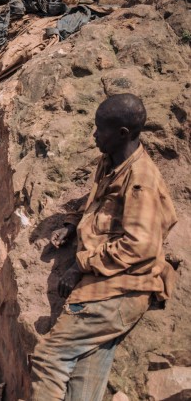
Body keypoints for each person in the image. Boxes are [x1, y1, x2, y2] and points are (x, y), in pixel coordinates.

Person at [30, 94, 178, 400]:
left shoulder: (141, 181)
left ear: (123, 133)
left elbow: (141, 247)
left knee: (48, 357)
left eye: (101, 129)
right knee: (84, 382)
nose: (94, 135)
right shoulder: (111, 161)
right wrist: (72, 223)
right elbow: (98, 202)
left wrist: (80, 265)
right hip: (108, 289)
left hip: (119, 291)